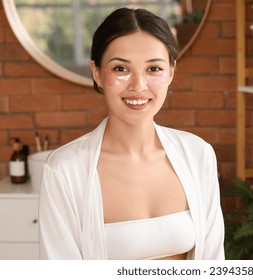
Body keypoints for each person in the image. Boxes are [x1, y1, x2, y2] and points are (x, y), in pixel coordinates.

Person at [38, 7, 225, 260]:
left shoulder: (197, 154)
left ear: (170, 73)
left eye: (154, 69)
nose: (138, 86)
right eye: (120, 69)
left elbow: (213, 261)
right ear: (97, 73)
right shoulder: (65, 170)